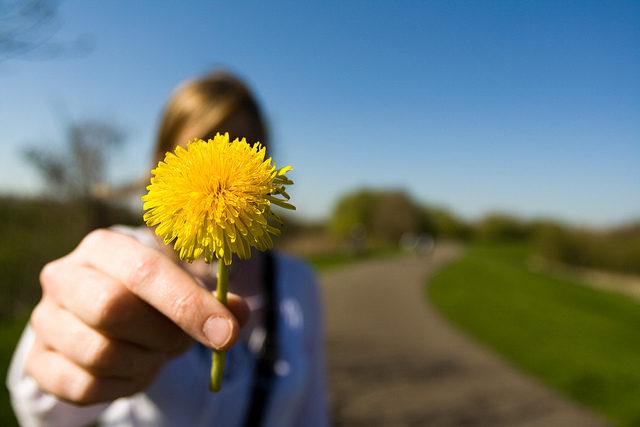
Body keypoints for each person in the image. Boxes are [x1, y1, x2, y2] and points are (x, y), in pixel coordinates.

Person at [7, 70, 330, 427]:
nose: (222, 154)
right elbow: (39, 410)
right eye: (202, 144)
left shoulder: (298, 282)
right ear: (164, 161)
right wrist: (59, 359)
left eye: (240, 144)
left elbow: (312, 413)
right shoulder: (118, 258)